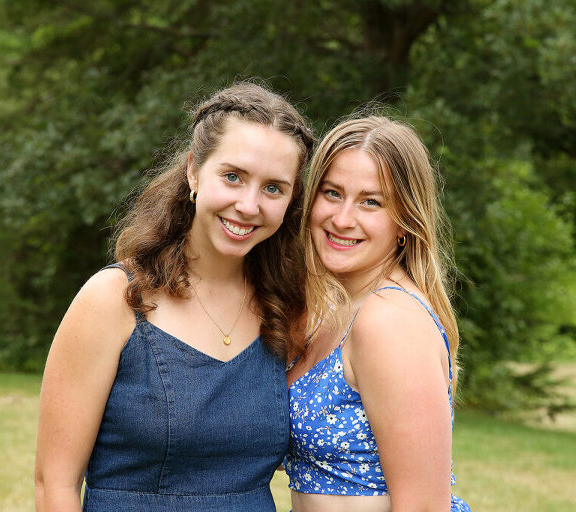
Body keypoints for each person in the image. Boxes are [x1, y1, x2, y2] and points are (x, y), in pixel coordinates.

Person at [34, 82, 314, 512]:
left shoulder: (287, 309)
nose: (248, 204)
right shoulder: (115, 299)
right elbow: (55, 486)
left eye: (273, 188)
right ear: (192, 172)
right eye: (233, 176)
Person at [284, 116, 471, 511]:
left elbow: (423, 507)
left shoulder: (390, 321)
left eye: (371, 201)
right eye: (332, 193)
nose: (342, 218)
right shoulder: (333, 310)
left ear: (405, 220)